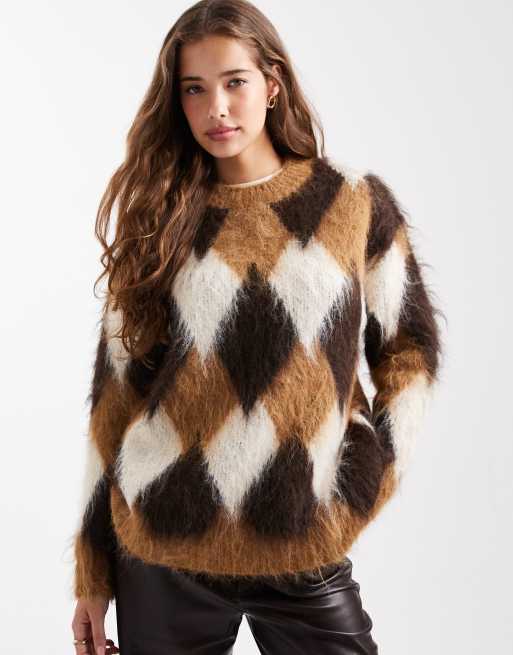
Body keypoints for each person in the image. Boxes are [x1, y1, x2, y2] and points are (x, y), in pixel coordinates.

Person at [69, 1, 443, 653]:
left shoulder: (350, 203)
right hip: (165, 547)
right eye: (194, 89)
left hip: (301, 544)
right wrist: (92, 575)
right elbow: (116, 400)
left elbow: (408, 352)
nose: (216, 108)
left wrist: (367, 476)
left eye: (234, 82)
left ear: (272, 84)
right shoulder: (162, 219)